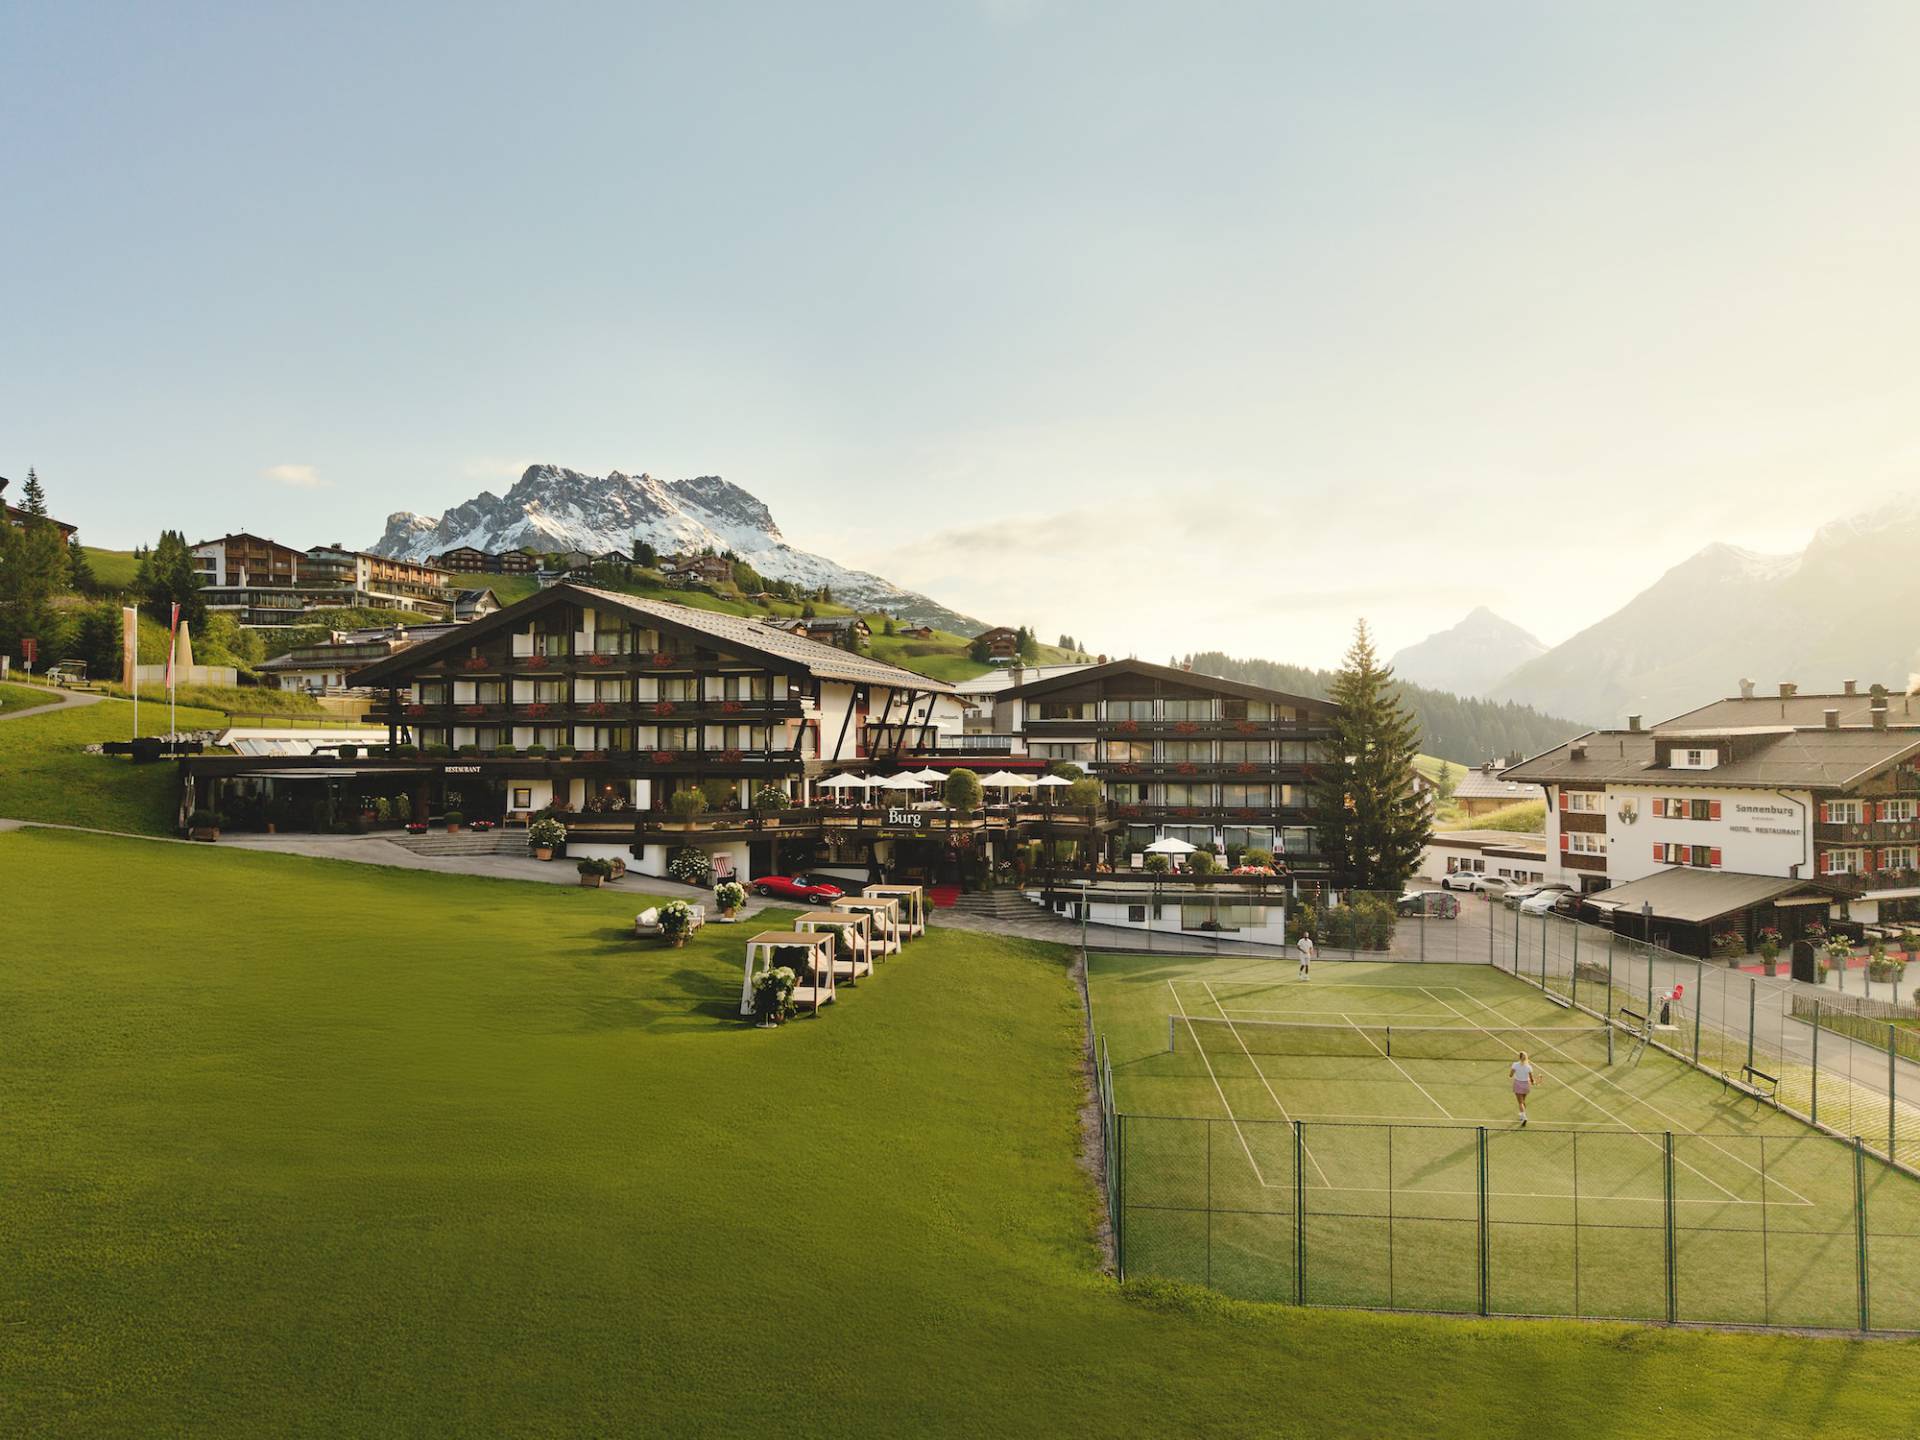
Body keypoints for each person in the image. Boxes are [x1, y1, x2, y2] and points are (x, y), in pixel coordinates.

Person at [1510, 1051, 1534, 1125]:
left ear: (1519, 1057)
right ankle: (1521, 1115)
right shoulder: (1529, 1067)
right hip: (1526, 1085)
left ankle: (1524, 1117)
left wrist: (1516, 1074)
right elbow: (1531, 1078)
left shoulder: (1515, 1065)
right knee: (1523, 1101)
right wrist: (1532, 1082)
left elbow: (1510, 1075)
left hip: (1518, 1084)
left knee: (1520, 1102)